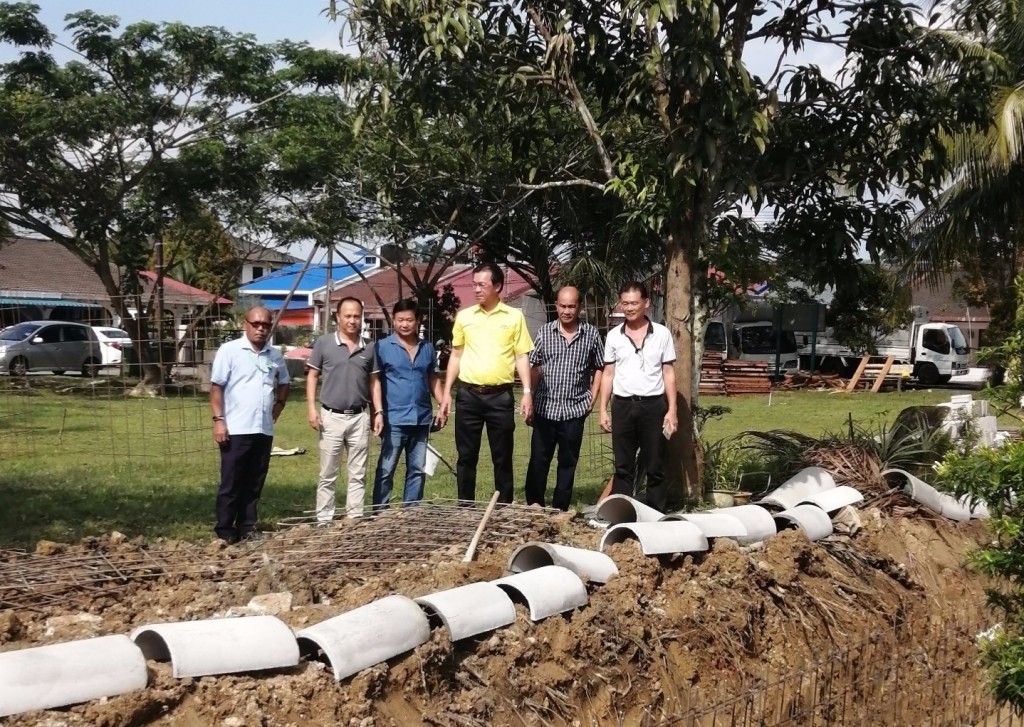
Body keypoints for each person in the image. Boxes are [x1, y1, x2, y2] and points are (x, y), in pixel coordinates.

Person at [438, 262, 534, 504]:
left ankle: (502, 508)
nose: (476, 289)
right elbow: (456, 355)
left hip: (500, 398)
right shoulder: (464, 317)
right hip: (468, 396)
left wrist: (527, 392)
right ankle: (465, 508)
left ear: (497, 286)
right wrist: (447, 392)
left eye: (482, 284)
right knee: (466, 456)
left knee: (502, 457)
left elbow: (522, 356)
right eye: (474, 285)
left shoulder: (514, 317)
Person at [209, 306, 290, 544]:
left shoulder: (274, 355)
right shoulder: (230, 351)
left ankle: (246, 527)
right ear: (245, 324)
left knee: (255, 481)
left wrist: (280, 403)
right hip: (236, 428)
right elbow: (216, 387)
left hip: (263, 429)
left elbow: (284, 381)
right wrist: (219, 421)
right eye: (256, 324)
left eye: (265, 325)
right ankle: (225, 530)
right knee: (231, 482)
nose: (260, 329)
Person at [599, 282, 678, 511]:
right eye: (625, 303)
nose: (629, 308)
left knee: (655, 464)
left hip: (653, 405)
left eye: (634, 303)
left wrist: (672, 409)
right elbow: (608, 374)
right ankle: (623, 513)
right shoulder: (613, 336)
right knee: (623, 466)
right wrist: (603, 409)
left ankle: (655, 513)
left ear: (646, 303)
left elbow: (668, 373)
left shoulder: (661, 334)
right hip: (623, 405)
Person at [524, 286, 605, 510]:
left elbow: (600, 366)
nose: (566, 311)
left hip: (575, 409)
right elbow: (535, 366)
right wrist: (530, 398)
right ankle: (534, 505)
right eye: (562, 306)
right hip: (545, 408)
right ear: (556, 306)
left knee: (568, 462)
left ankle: (561, 508)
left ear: (579, 307)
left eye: (571, 306)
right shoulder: (545, 332)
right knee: (539, 460)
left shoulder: (591, 334)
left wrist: (593, 396)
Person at [306, 297, 384, 523]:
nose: (352, 320)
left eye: (356, 316)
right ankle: (324, 520)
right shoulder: (324, 343)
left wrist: (378, 412)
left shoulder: (369, 346)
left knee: (358, 473)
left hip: (360, 417)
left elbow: (374, 382)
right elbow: (312, 376)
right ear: (338, 318)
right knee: (328, 473)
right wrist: (311, 408)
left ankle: (354, 519)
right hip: (331, 417)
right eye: (347, 316)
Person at [372, 299, 444, 509]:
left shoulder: (427, 348)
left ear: (418, 320)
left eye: (409, 320)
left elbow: (432, 379)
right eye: (400, 320)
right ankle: (380, 512)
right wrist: (377, 412)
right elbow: (375, 382)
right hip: (393, 419)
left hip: (421, 419)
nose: (404, 324)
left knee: (417, 469)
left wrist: (443, 405)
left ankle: (410, 513)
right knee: (386, 469)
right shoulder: (382, 347)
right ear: (393, 321)